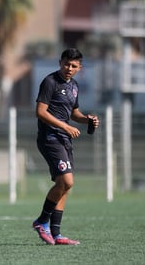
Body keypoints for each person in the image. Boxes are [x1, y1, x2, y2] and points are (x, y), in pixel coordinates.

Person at [32, 48, 99, 245]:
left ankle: (56, 234)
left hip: (64, 139)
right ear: (60, 62)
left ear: (80, 68)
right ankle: (41, 221)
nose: (69, 68)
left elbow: (74, 113)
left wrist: (88, 120)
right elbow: (40, 112)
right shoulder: (50, 82)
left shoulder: (74, 86)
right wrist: (64, 126)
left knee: (64, 186)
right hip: (50, 137)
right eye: (66, 64)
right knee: (67, 181)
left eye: (74, 66)